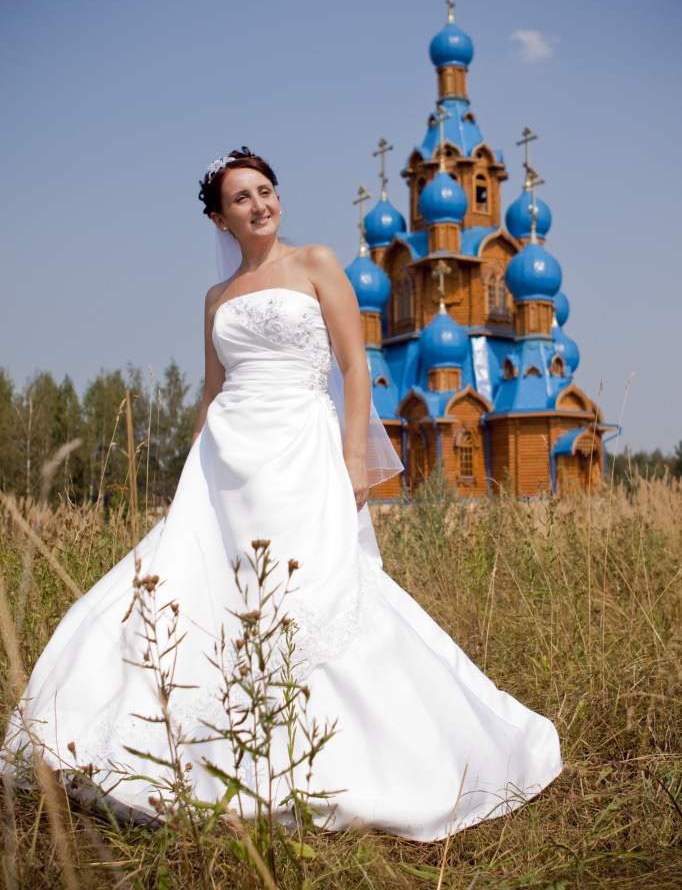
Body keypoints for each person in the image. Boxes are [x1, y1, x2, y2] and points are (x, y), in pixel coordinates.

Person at [2, 148, 562, 840]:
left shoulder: (317, 262)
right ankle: (174, 753)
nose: (259, 204)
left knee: (314, 593)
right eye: (241, 198)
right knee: (196, 593)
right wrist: (190, 477)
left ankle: (350, 757)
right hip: (226, 460)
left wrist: (354, 459)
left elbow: (354, 366)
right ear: (220, 219)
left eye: (265, 190)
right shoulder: (216, 299)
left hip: (301, 450)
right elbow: (212, 392)